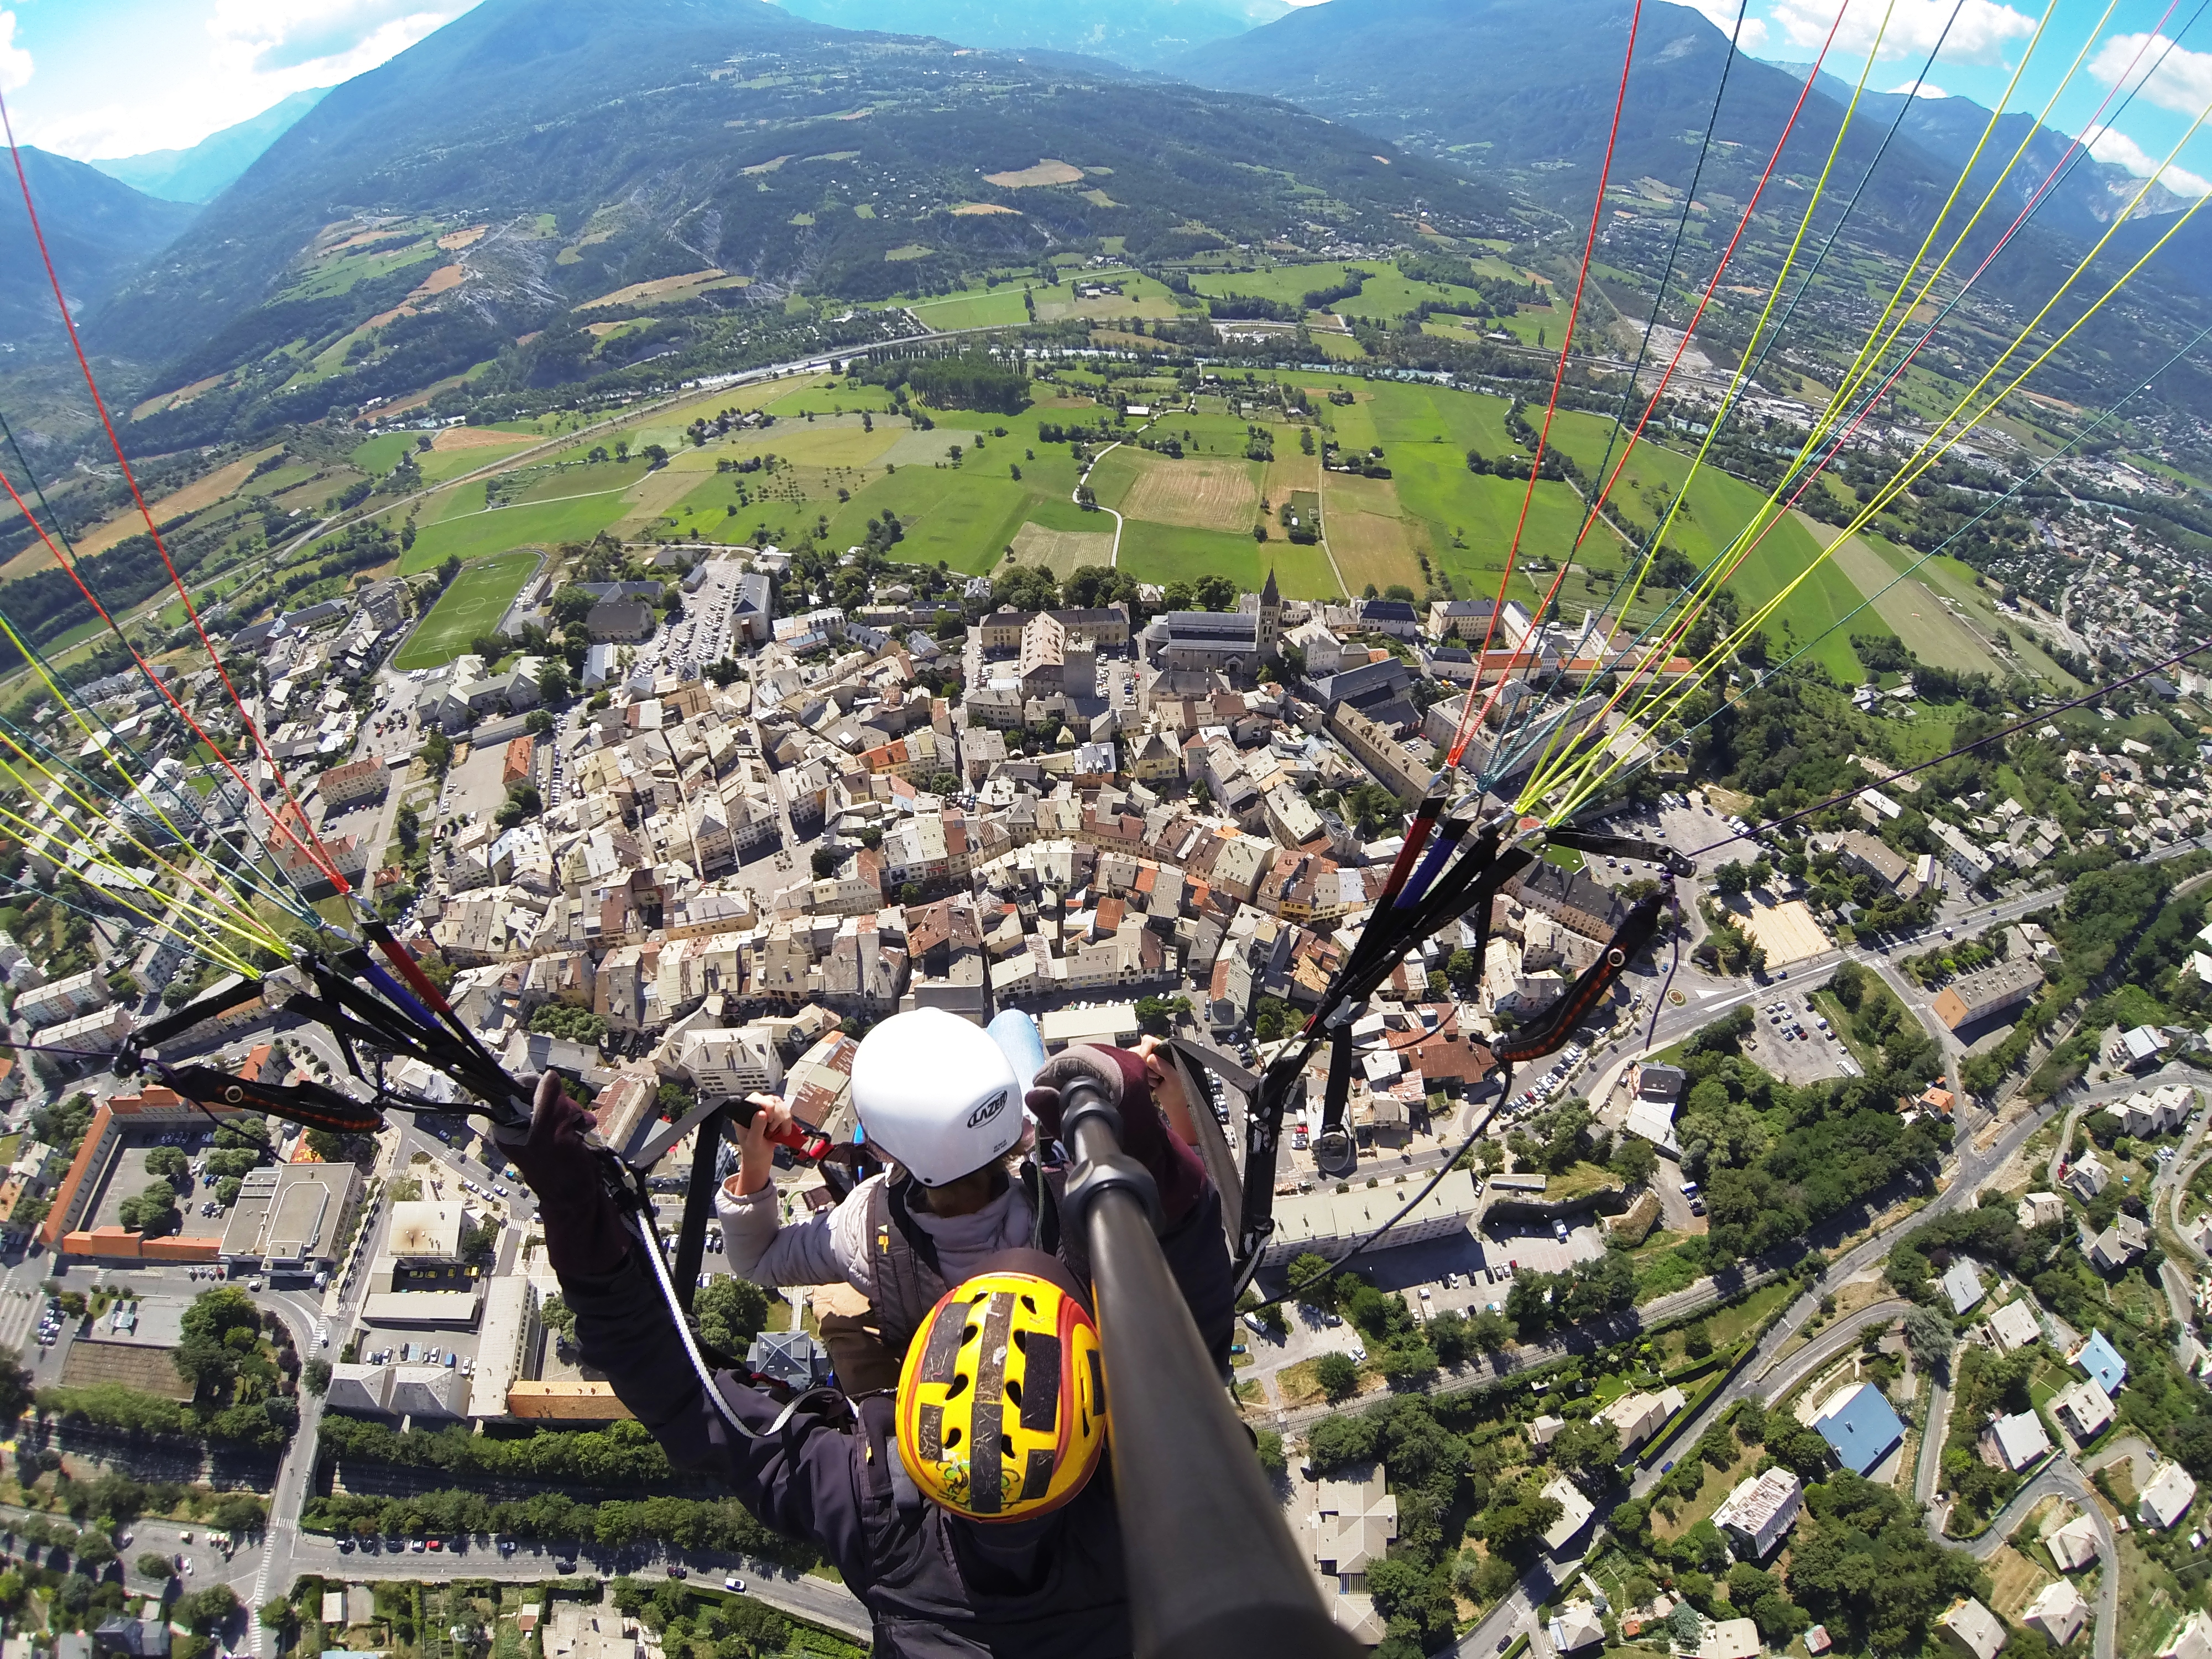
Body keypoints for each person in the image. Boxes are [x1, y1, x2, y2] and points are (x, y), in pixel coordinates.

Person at [502, 1074, 1152, 1659]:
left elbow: (670, 1379)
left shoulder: (875, 1510)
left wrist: (572, 1196)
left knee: (839, 1315)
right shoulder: (1151, 1512)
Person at [718, 1009, 1232, 1384]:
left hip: (960, 1360)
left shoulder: (861, 1232)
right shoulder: (1070, 1193)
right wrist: (1160, 1091)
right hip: (1063, 1340)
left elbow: (759, 1259)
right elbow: (1190, 1187)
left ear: (881, 1149)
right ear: (1019, 1130)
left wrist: (756, 1161)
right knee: (1012, 1022)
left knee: (1007, 1025)